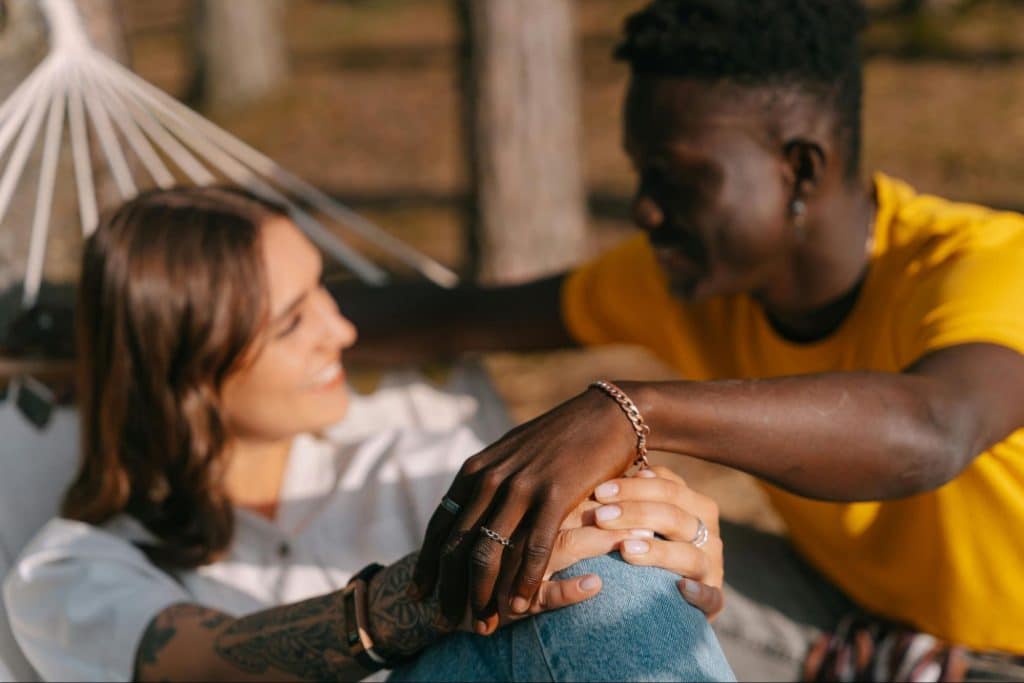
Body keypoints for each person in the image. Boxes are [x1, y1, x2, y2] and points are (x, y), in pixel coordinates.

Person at [333, 1, 1024, 680]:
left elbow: (933, 429)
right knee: (591, 549)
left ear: (801, 169)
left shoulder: (989, 268)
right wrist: (262, 304)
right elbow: (463, 316)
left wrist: (633, 411)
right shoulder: (695, 278)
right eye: (640, 173)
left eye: (679, 177)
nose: (644, 208)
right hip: (853, 623)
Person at [2, 187, 735, 682]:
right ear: (187, 371)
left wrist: (645, 525)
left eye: (326, 291)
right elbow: (204, 665)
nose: (344, 331)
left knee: (607, 568)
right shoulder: (67, 570)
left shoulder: (408, 462)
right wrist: (432, 594)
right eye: (293, 321)